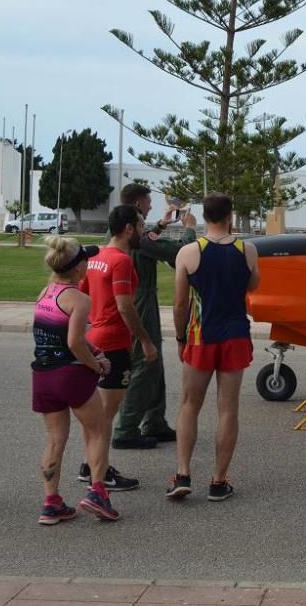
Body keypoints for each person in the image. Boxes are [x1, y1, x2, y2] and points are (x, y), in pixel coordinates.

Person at [168, 193, 260, 501]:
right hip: (234, 334)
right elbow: (252, 285)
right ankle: (219, 481)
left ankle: (182, 473)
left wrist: (180, 337)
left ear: (205, 217)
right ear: (229, 216)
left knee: (189, 405)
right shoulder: (247, 250)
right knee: (228, 409)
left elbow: (180, 304)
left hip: (199, 336)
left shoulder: (189, 253)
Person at [32, 237, 119, 522]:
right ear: (77, 267)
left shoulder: (45, 292)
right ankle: (97, 493)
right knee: (98, 430)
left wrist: (93, 351)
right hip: (70, 375)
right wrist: (97, 365)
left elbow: (56, 337)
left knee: (55, 438)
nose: (88, 264)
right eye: (85, 260)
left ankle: (51, 502)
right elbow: (74, 342)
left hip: (43, 374)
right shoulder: (79, 299)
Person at [76, 206, 157, 491]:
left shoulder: (96, 256)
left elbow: (82, 295)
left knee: (97, 414)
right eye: (140, 224)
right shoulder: (121, 261)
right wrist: (146, 340)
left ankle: (90, 465)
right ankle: (102, 472)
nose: (143, 229)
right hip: (112, 344)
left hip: (95, 339)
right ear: (127, 229)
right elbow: (125, 306)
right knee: (105, 417)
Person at [113, 184, 197, 450]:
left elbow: (148, 236)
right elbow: (178, 252)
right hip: (140, 302)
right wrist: (189, 228)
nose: (150, 207)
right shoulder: (139, 238)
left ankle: (154, 421)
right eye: (148, 203)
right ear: (137, 205)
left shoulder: (120, 228)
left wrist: (161, 224)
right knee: (145, 363)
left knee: (155, 363)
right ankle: (126, 429)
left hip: (136, 298)